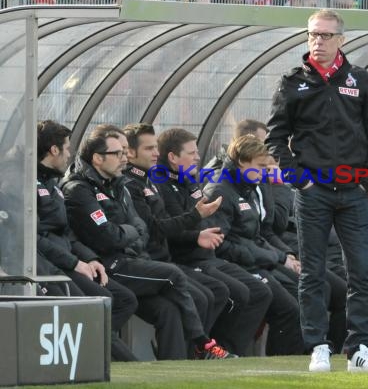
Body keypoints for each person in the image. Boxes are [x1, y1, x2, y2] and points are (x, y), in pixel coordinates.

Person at [265, 9, 368, 372]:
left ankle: (359, 348)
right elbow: (275, 136)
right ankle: (318, 346)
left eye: (325, 35)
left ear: (341, 40)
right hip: (313, 191)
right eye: (312, 35)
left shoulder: (359, 79)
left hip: (354, 191)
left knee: (361, 271)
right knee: (312, 272)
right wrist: (297, 178)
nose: (317, 41)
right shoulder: (292, 81)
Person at [60, 125, 235, 360]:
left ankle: (177, 368)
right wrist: (132, 232)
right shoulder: (81, 189)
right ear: (98, 158)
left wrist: (128, 232)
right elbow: (112, 236)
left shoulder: (120, 184)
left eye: (124, 152)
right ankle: (202, 345)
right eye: (119, 153)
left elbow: (142, 227)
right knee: (176, 277)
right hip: (111, 264)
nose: (124, 158)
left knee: (170, 310)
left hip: (134, 258)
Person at [150, 126, 272, 356]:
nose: (198, 157)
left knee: (258, 291)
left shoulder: (190, 181)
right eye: (192, 152)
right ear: (173, 157)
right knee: (224, 292)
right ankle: (204, 351)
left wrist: (281, 255)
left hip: (209, 257)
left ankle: (222, 350)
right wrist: (198, 236)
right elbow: (169, 229)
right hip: (187, 259)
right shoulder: (162, 186)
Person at [37, 120, 138, 361]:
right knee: (100, 302)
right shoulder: (58, 186)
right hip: (49, 267)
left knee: (122, 299)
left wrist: (88, 259)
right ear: (54, 150)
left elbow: (66, 233)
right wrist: (74, 263)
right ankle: (117, 362)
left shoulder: (52, 183)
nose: (69, 153)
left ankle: (95, 354)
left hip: (70, 261)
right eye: (66, 147)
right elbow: (37, 238)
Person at [203, 135, 305, 356]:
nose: (264, 172)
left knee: (303, 293)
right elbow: (221, 245)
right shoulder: (220, 191)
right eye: (260, 166)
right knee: (282, 306)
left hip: (255, 261)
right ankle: (226, 353)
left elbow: (257, 235)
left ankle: (290, 359)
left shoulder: (246, 187)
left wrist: (282, 256)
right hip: (238, 265)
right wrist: (273, 258)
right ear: (242, 162)